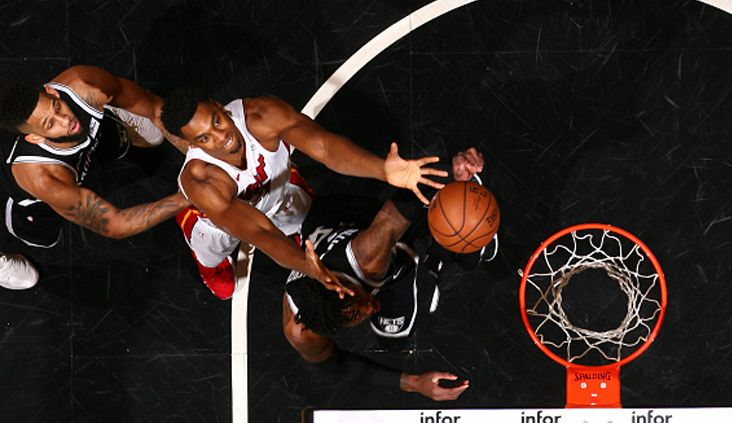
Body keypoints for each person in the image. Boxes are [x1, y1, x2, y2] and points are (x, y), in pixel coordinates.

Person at [159, 87, 448, 300]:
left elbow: (324, 147)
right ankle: (208, 260)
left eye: (217, 121)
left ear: (218, 105)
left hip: (277, 190)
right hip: (220, 221)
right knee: (214, 255)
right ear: (191, 143)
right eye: (205, 138)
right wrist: (304, 265)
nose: (222, 137)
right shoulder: (201, 179)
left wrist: (382, 169)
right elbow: (260, 232)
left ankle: (283, 201)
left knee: (308, 220)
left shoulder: (260, 114)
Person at [282, 148, 490, 401]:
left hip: (357, 213)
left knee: (462, 245)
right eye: (355, 317)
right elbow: (332, 363)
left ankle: (442, 241)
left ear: (345, 289)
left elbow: (404, 204)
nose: (371, 309)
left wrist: (453, 172)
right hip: (330, 231)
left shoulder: (367, 257)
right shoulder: (301, 330)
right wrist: (413, 383)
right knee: (394, 340)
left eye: (361, 305)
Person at [0, 66, 189, 248]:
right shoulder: (45, 179)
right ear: (36, 137)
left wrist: (201, 155)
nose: (66, 120)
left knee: (153, 136)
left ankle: (111, 110)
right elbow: (116, 224)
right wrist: (188, 196)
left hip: (83, 140)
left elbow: (156, 109)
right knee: (44, 238)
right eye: (50, 124)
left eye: (57, 107)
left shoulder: (84, 84)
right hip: (39, 198)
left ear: (52, 92)